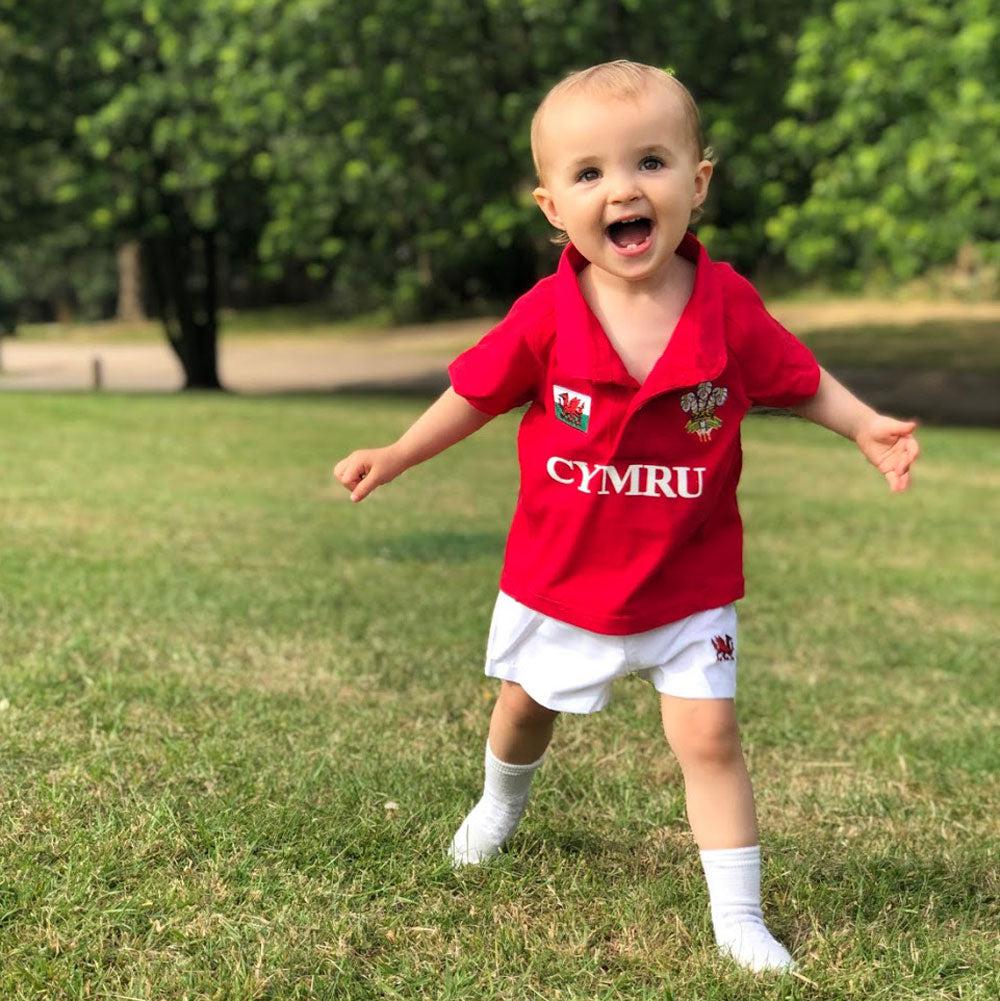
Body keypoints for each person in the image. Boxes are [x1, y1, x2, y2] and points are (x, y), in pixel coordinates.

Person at [332, 60, 919, 974]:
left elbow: (796, 380)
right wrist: (398, 452)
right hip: (561, 580)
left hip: (688, 581)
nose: (624, 189)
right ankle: (498, 804)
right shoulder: (547, 314)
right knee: (523, 711)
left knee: (710, 738)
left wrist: (864, 426)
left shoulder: (728, 305)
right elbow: (475, 393)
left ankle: (739, 919)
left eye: (650, 161)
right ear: (552, 206)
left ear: (698, 181)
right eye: (590, 173)